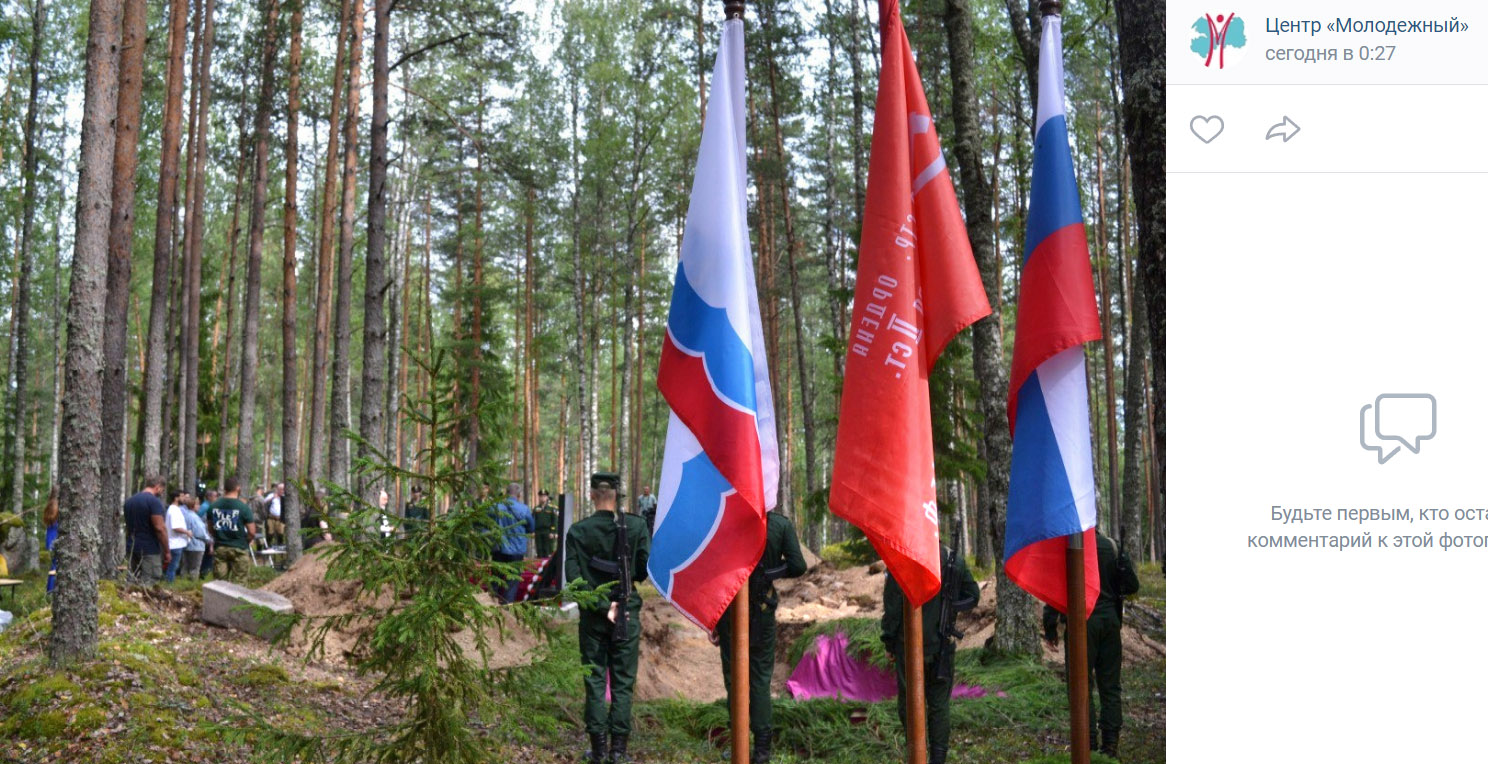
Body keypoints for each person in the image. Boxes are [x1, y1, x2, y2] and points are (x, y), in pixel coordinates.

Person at [565, 472, 650, 764]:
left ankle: (600, 750)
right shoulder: (637, 526)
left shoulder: (578, 531)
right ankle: (618, 751)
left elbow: (574, 581)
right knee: (624, 682)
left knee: (595, 681)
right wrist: (616, 602)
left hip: (593, 617)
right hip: (627, 611)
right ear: (617, 495)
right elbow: (642, 570)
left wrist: (602, 605)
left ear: (592, 495)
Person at [712, 508, 808, 763]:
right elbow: (798, 565)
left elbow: (715, 568)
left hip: (730, 612)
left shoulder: (728, 516)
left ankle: (739, 743)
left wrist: (714, 619)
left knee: (734, 678)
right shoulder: (779, 524)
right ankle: (762, 750)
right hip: (762, 610)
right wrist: (771, 572)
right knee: (760, 678)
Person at [1043, 530, 1141, 758]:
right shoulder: (1112, 546)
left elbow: (1056, 590)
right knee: (1110, 687)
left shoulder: (1070, 549)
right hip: (1109, 624)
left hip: (1081, 625)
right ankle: (1110, 746)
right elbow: (1132, 585)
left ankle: (1088, 745)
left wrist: (1050, 628)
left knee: (1079, 686)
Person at [881, 543, 980, 764]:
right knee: (939, 705)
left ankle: (916, 755)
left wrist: (888, 640)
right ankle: (937, 759)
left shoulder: (903, 558)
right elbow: (973, 596)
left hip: (908, 646)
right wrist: (950, 605)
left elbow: (893, 607)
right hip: (941, 644)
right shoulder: (952, 560)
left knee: (909, 703)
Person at [490, 482, 535, 603]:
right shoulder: (524, 509)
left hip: (498, 549)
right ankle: (507, 609)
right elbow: (531, 528)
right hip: (516, 551)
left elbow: (485, 523)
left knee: (495, 581)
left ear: (506, 493)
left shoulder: (495, 507)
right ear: (519, 494)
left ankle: (490, 608)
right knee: (512, 582)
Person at [123, 476, 170, 585]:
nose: (161, 493)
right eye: (162, 490)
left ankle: (129, 601)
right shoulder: (154, 502)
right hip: (149, 549)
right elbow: (160, 528)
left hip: (132, 547)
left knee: (131, 581)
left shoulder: (129, 501)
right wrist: (167, 551)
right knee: (150, 581)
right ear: (158, 487)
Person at [208, 478, 257, 580]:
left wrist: (218, 536)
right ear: (238, 488)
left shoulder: (213, 506)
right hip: (239, 548)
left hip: (220, 547)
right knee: (239, 583)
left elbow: (210, 529)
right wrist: (245, 541)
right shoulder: (243, 507)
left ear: (225, 488)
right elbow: (252, 532)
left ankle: (219, 596)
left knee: (219, 584)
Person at [164, 490, 192, 583]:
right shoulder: (174, 510)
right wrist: (187, 532)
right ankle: (169, 584)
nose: (184, 498)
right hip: (175, 543)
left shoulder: (175, 509)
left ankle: (169, 583)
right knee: (173, 567)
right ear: (176, 498)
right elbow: (175, 527)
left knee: (173, 567)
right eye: (182, 496)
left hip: (176, 543)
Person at [181, 495, 211, 581]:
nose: (199, 506)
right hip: (196, 546)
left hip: (187, 545)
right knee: (194, 569)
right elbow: (200, 532)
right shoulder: (194, 517)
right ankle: (192, 585)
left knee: (185, 567)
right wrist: (208, 540)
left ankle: (183, 584)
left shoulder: (185, 515)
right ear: (193, 506)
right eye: (198, 504)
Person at [532, 489, 559, 558]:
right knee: (539, 550)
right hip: (538, 532)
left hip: (548, 532)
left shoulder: (552, 508)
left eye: (544, 496)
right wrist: (532, 531)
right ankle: (540, 567)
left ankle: (548, 567)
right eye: (541, 496)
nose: (542, 498)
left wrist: (553, 532)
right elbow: (533, 520)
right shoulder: (536, 509)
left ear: (547, 497)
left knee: (548, 551)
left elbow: (555, 520)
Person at [43, 487, 58, 593]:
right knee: (55, 566)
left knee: (54, 565)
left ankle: (50, 590)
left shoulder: (50, 504)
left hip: (51, 537)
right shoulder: (54, 505)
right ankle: (51, 591)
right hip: (54, 538)